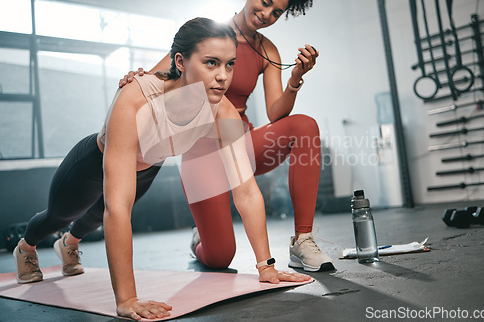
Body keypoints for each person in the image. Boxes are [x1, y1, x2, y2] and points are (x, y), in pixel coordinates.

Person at [13, 17, 310, 321]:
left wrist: (266, 266)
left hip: (146, 168)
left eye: (230, 64)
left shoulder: (223, 112)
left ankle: (70, 244)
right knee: (59, 216)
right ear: (180, 61)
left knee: (91, 221)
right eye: (211, 63)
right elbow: (118, 209)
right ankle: (25, 248)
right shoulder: (137, 96)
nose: (223, 76)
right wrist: (127, 299)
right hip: (92, 162)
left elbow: (246, 192)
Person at [122, 0, 334, 272]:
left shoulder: (268, 50)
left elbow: (277, 114)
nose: (267, 15)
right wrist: (135, 79)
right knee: (219, 257)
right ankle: (199, 239)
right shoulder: (208, 33)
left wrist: (295, 79)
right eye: (264, 3)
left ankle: (302, 241)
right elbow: (160, 76)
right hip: (202, 152)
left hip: (242, 144)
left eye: (276, 12)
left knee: (304, 125)